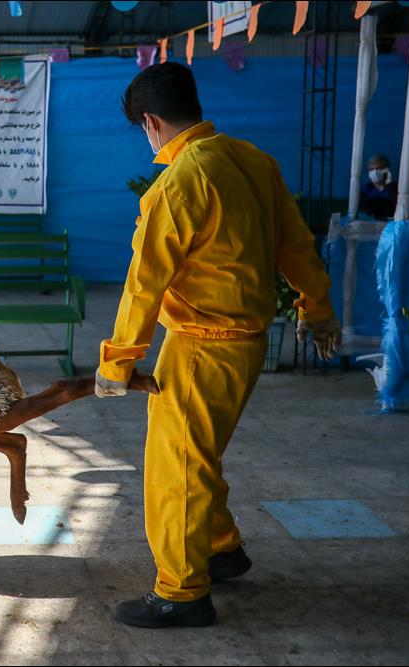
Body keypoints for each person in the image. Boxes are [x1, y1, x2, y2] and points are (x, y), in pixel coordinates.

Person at [94, 63, 340, 628]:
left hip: (203, 345)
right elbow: (296, 245)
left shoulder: (178, 185)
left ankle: (181, 593)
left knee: (174, 466)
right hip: (248, 344)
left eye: (144, 129)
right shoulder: (254, 161)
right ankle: (222, 549)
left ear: (152, 122)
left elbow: (144, 284)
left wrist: (117, 362)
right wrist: (317, 308)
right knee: (196, 450)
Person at [359, 154, 398, 220]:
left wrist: (389, 183)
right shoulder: (365, 188)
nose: (374, 172)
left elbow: (398, 206)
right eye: (371, 169)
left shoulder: (395, 187)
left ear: (386, 170)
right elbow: (364, 211)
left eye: (378, 168)